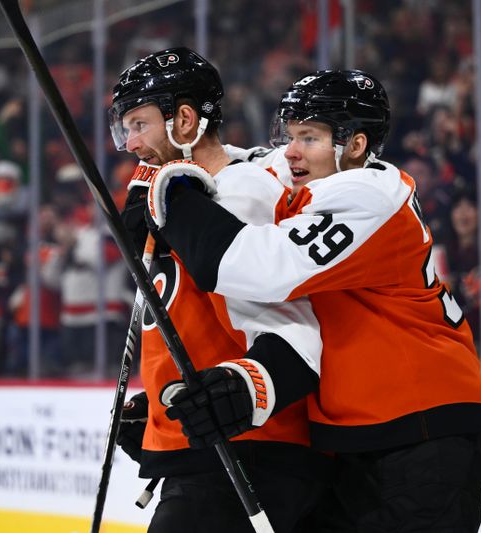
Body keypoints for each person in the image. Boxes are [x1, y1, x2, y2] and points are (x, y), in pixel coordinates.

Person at [148, 69, 481, 532]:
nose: (291, 150)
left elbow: (254, 268)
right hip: (359, 437)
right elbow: (252, 160)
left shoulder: (368, 196)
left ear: (354, 145)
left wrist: (174, 193)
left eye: (308, 137)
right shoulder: (320, 179)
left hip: (422, 430)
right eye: (289, 135)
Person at [108, 47, 329, 532]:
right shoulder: (175, 201)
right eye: (124, 128)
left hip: (247, 456)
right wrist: (160, 409)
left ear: (184, 119)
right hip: (210, 454)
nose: (130, 143)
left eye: (139, 124)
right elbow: (197, 321)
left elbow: (286, 322)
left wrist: (243, 390)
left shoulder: (240, 188)